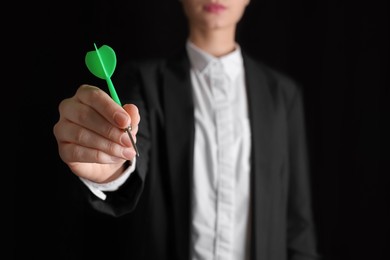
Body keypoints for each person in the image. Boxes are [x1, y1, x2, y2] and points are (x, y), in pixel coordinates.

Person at [53, 0, 321, 259]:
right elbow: (132, 155)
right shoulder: (143, 81)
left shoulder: (283, 96)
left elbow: (298, 225)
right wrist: (110, 167)